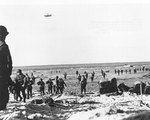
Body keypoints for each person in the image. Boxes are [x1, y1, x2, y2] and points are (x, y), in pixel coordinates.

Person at [0, 25, 13, 110]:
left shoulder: (3, 47)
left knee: (3, 98)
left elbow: (8, 63)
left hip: (2, 76)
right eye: (3, 35)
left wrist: (7, 76)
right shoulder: (3, 47)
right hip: (2, 77)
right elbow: (8, 63)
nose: (4, 37)